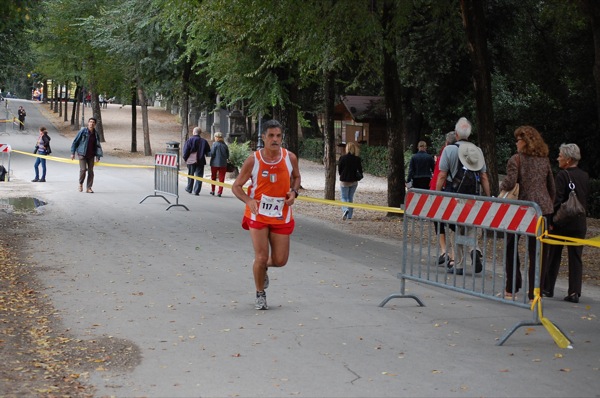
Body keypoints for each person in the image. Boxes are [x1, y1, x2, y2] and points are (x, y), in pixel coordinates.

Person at [232, 120, 301, 310]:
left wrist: (294, 192)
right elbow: (236, 186)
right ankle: (260, 293)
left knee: (280, 260)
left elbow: (296, 177)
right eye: (271, 136)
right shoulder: (253, 160)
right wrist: (249, 201)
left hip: (281, 213)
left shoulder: (290, 158)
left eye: (278, 136)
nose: (275, 139)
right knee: (261, 257)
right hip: (258, 214)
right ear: (263, 137)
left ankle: (262, 269)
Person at [499, 126, 555, 300]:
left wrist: (501, 186)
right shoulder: (544, 160)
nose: (516, 143)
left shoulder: (516, 160)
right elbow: (551, 187)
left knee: (510, 246)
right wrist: (549, 205)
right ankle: (534, 293)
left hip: (522, 209)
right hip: (543, 210)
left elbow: (509, 184)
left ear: (525, 141)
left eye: (518, 139)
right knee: (538, 252)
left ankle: (511, 287)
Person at [436, 117, 491, 275]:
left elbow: (442, 175)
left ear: (457, 134)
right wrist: (488, 196)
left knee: (456, 228)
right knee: (471, 226)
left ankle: (458, 265)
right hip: (473, 196)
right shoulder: (477, 151)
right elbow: (484, 176)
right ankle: (474, 249)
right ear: (469, 134)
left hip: (454, 195)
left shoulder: (449, 150)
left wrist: (436, 195)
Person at [543, 143, 589, 303]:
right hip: (579, 222)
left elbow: (557, 200)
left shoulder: (562, 176)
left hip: (562, 222)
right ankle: (574, 291)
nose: (557, 158)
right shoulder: (584, 176)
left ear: (568, 160)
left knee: (554, 254)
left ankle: (548, 287)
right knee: (576, 257)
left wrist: (550, 220)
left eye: (560, 156)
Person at [430, 132, 457, 268]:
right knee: (452, 223)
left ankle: (445, 251)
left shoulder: (445, 152)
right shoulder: (460, 152)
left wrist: (436, 191)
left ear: (446, 142)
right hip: (452, 191)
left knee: (439, 221)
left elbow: (440, 174)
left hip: (442, 190)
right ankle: (451, 254)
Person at [70, 117, 103, 193]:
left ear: (95, 124)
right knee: (83, 170)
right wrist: (72, 153)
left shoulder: (95, 133)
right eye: (90, 122)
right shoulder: (83, 131)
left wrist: (98, 156)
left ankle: (89, 187)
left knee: (91, 171)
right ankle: (80, 183)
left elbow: (98, 145)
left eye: (93, 122)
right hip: (82, 154)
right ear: (88, 123)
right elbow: (75, 142)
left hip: (91, 155)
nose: (91, 123)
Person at [338, 141, 363, 220]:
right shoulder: (357, 159)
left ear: (347, 149)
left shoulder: (342, 158)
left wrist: (342, 174)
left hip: (345, 180)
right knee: (350, 197)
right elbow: (360, 170)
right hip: (354, 181)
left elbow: (340, 169)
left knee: (343, 197)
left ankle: (345, 210)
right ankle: (350, 216)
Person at [182, 127, 211, 195]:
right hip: (201, 160)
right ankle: (197, 190)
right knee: (199, 176)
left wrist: (186, 158)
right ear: (200, 133)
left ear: (193, 132)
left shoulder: (190, 140)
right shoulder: (204, 141)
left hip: (191, 161)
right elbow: (208, 152)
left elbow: (185, 151)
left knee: (190, 175)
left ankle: (189, 188)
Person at [209, 132, 229, 197]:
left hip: (214, 163)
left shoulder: (214, 144)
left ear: (216, 137)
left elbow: (212, 153)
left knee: (213, 177)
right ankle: (220, 192)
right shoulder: (225, 145)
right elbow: (227, 156)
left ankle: (213, 190)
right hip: (223, 164)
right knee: (221, 178)